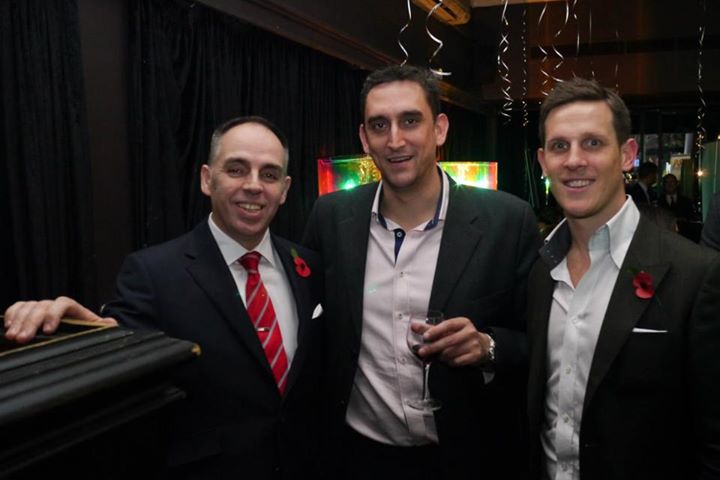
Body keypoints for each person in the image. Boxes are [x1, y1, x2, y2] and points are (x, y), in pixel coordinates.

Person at [4, 117, 324, 479]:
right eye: (236, 169)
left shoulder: (308, 266)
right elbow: (123, 350)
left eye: (269, 174)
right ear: (207, 179)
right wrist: (86, 334)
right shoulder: (152, 273)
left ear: (284, 189)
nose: (253, 185)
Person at [302, 65, 540, 480]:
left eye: (410, 121)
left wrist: (488, 347)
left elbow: (538, 341)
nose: (395, 140)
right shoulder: (331, 217)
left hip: (465, 456)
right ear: (364, 139)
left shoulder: (507, 221)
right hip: (358, 456)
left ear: (440, 129)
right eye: (380, 125)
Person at [527, 77, 720, 480]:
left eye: (593, 143)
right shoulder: (538, 268)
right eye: (560, 146)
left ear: (627, 154)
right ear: (543, 162)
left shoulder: (697, 274)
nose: (574, 160)